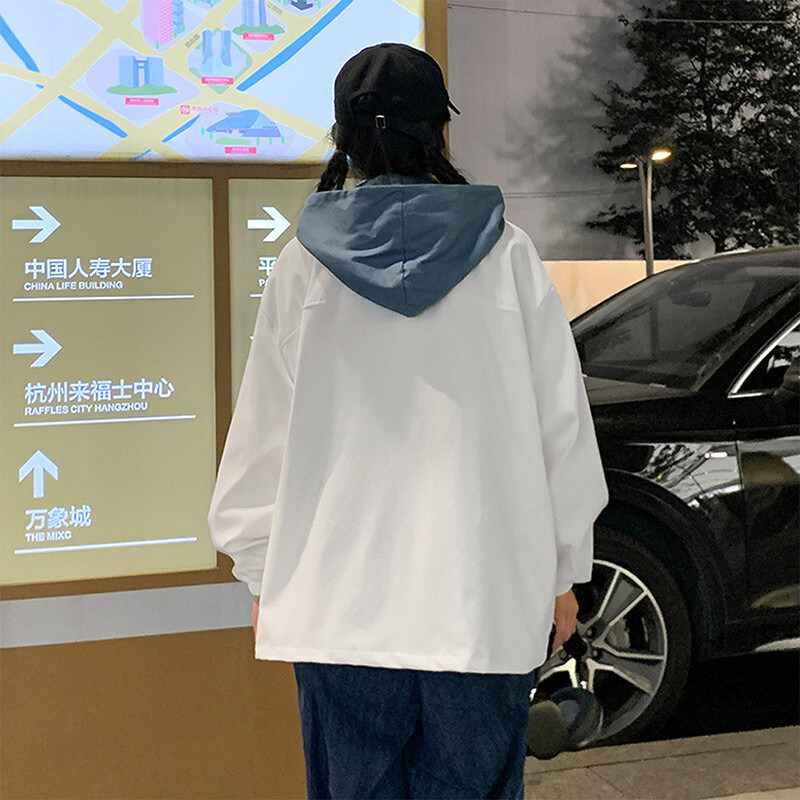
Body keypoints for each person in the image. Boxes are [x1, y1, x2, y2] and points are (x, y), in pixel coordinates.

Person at [208, 42, 609, 800]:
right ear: (440, 133)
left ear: (343, 138)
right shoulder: (508, 255)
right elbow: (562, 428)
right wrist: (562, 573)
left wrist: (262, 571)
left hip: (335, 609)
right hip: (481, 601)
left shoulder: (302, 265)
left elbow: (262, 437)